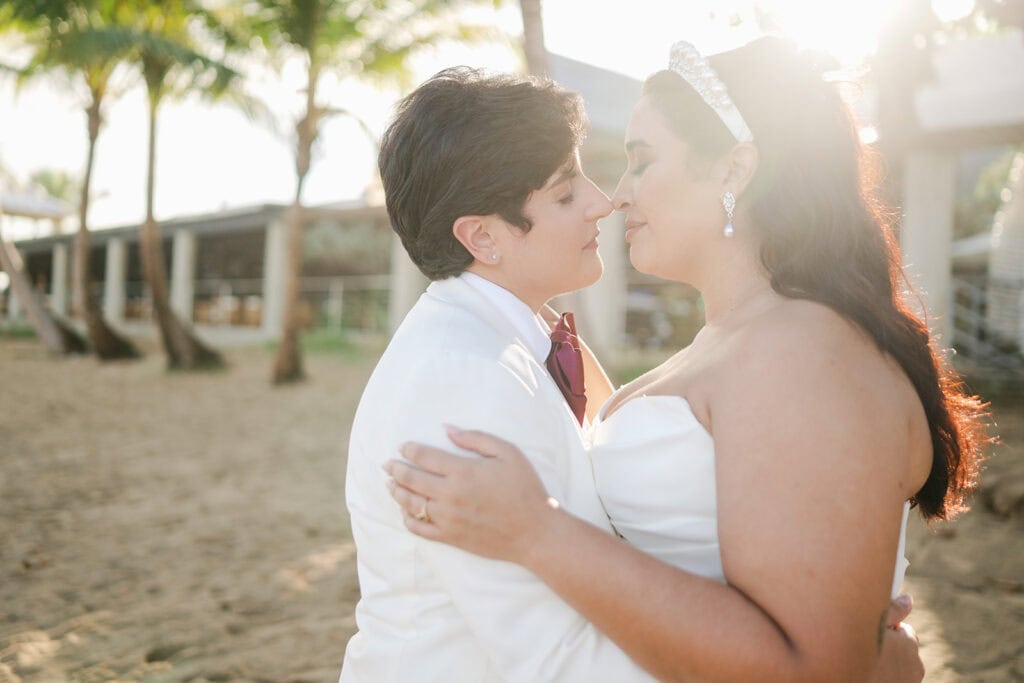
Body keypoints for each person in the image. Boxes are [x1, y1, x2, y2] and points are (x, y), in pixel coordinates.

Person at [384, 38, 987, 682]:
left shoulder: (802, 352)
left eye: (640, 163)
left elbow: (813, 669)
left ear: (733, 170)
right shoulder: (741, 340)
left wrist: (538, 532)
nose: (616, 195)